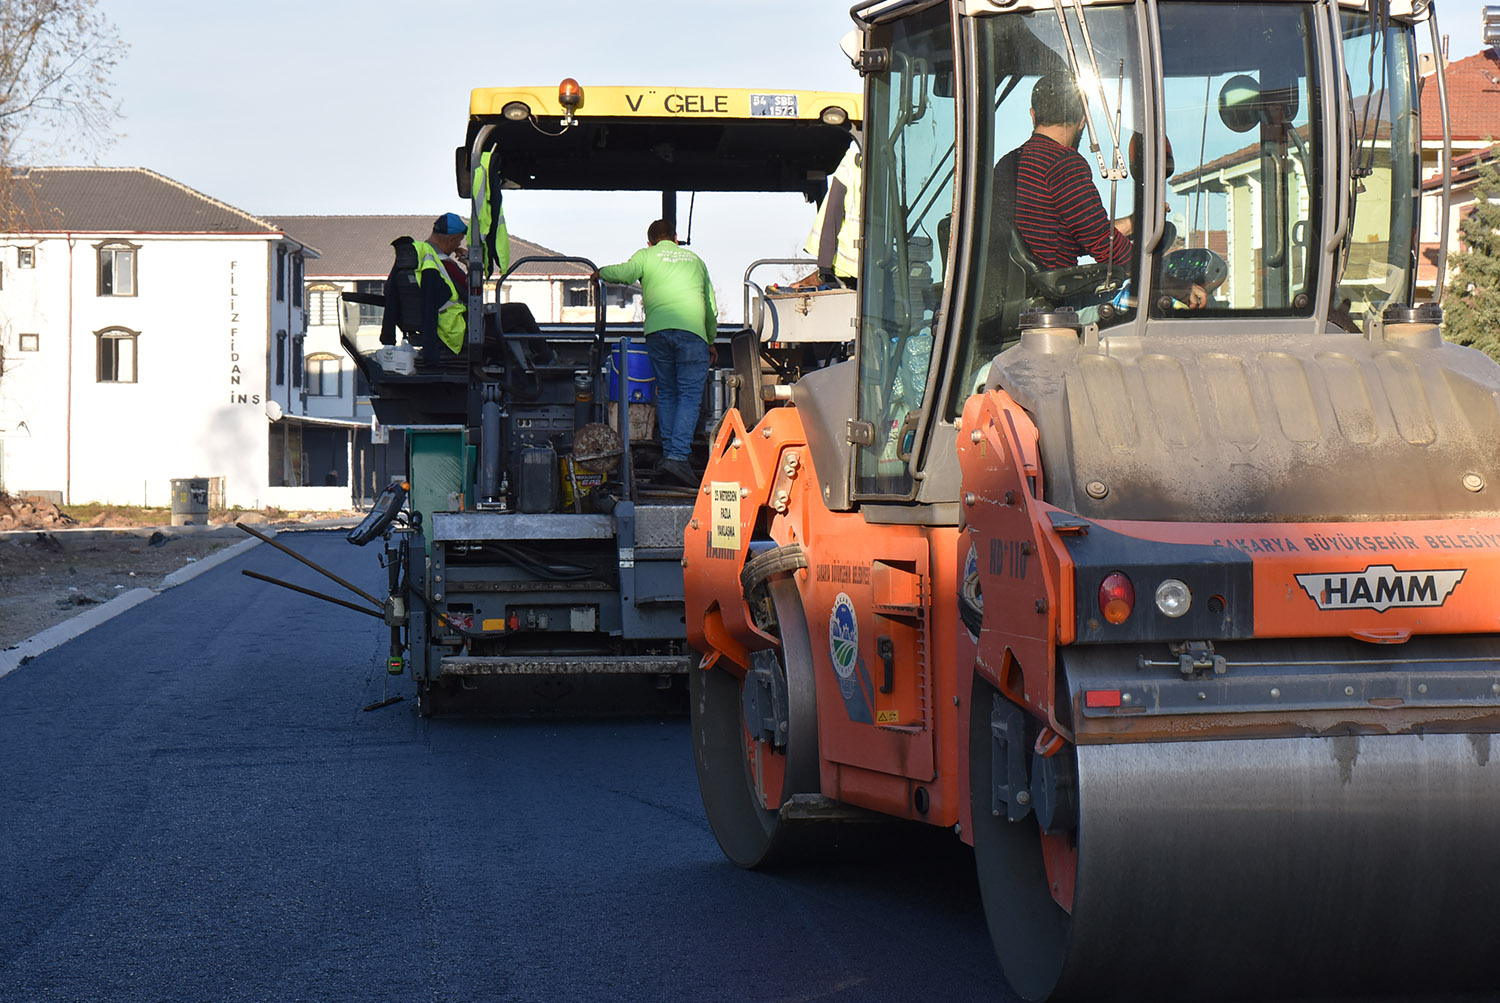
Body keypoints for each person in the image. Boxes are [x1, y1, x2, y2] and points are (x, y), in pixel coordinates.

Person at [592, 221, 717, 486]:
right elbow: (709, 305)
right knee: (689, 397)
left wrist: (600, 272)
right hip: (693, 332)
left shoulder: (646, 255)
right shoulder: (696, 260)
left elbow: (624, 273)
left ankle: (671, 457)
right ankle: (678, 458)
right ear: (675, 238)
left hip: (658, 333)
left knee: (668, 392)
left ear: (650, 242)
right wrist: (711, 339)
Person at [380, 212, 471, 359]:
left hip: (422, 330)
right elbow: (473, 295)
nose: (457, 247)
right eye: (458, 242)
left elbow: (389, 292)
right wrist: (469, 264)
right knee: (518, 312)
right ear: (452, 239)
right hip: (453, 331)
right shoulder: (445, 263)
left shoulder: (414, 258)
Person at [796, 142, 861, 289]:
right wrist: (825, 267)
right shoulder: (850, 166)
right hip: (846, 267)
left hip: (863, 265)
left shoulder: (877, 163)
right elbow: (833, 214)